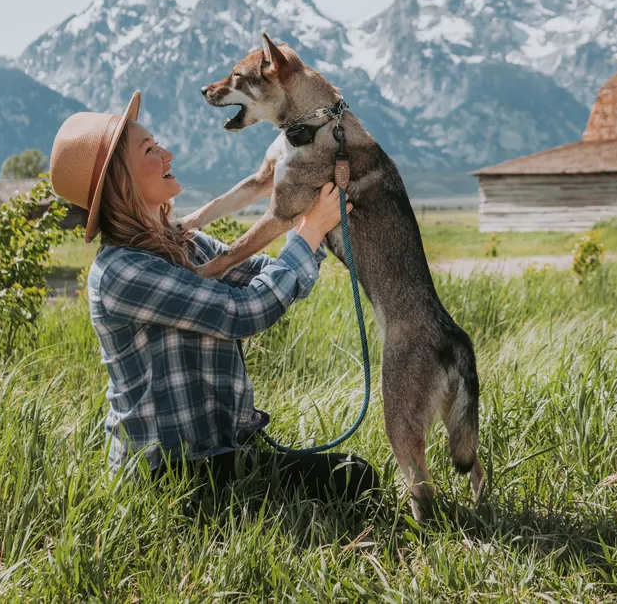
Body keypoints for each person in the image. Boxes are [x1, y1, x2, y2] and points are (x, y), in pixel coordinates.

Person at [48, 90, 378, 501]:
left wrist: (308, 225)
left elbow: (260, 275)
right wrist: (309, 232)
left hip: (220, 454)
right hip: (169, 473)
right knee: (350, 482)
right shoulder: (122, 272)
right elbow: (245, 312)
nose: (167, 154)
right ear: (122, 180)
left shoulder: (184, 242)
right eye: (150, 149)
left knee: (354, 476)